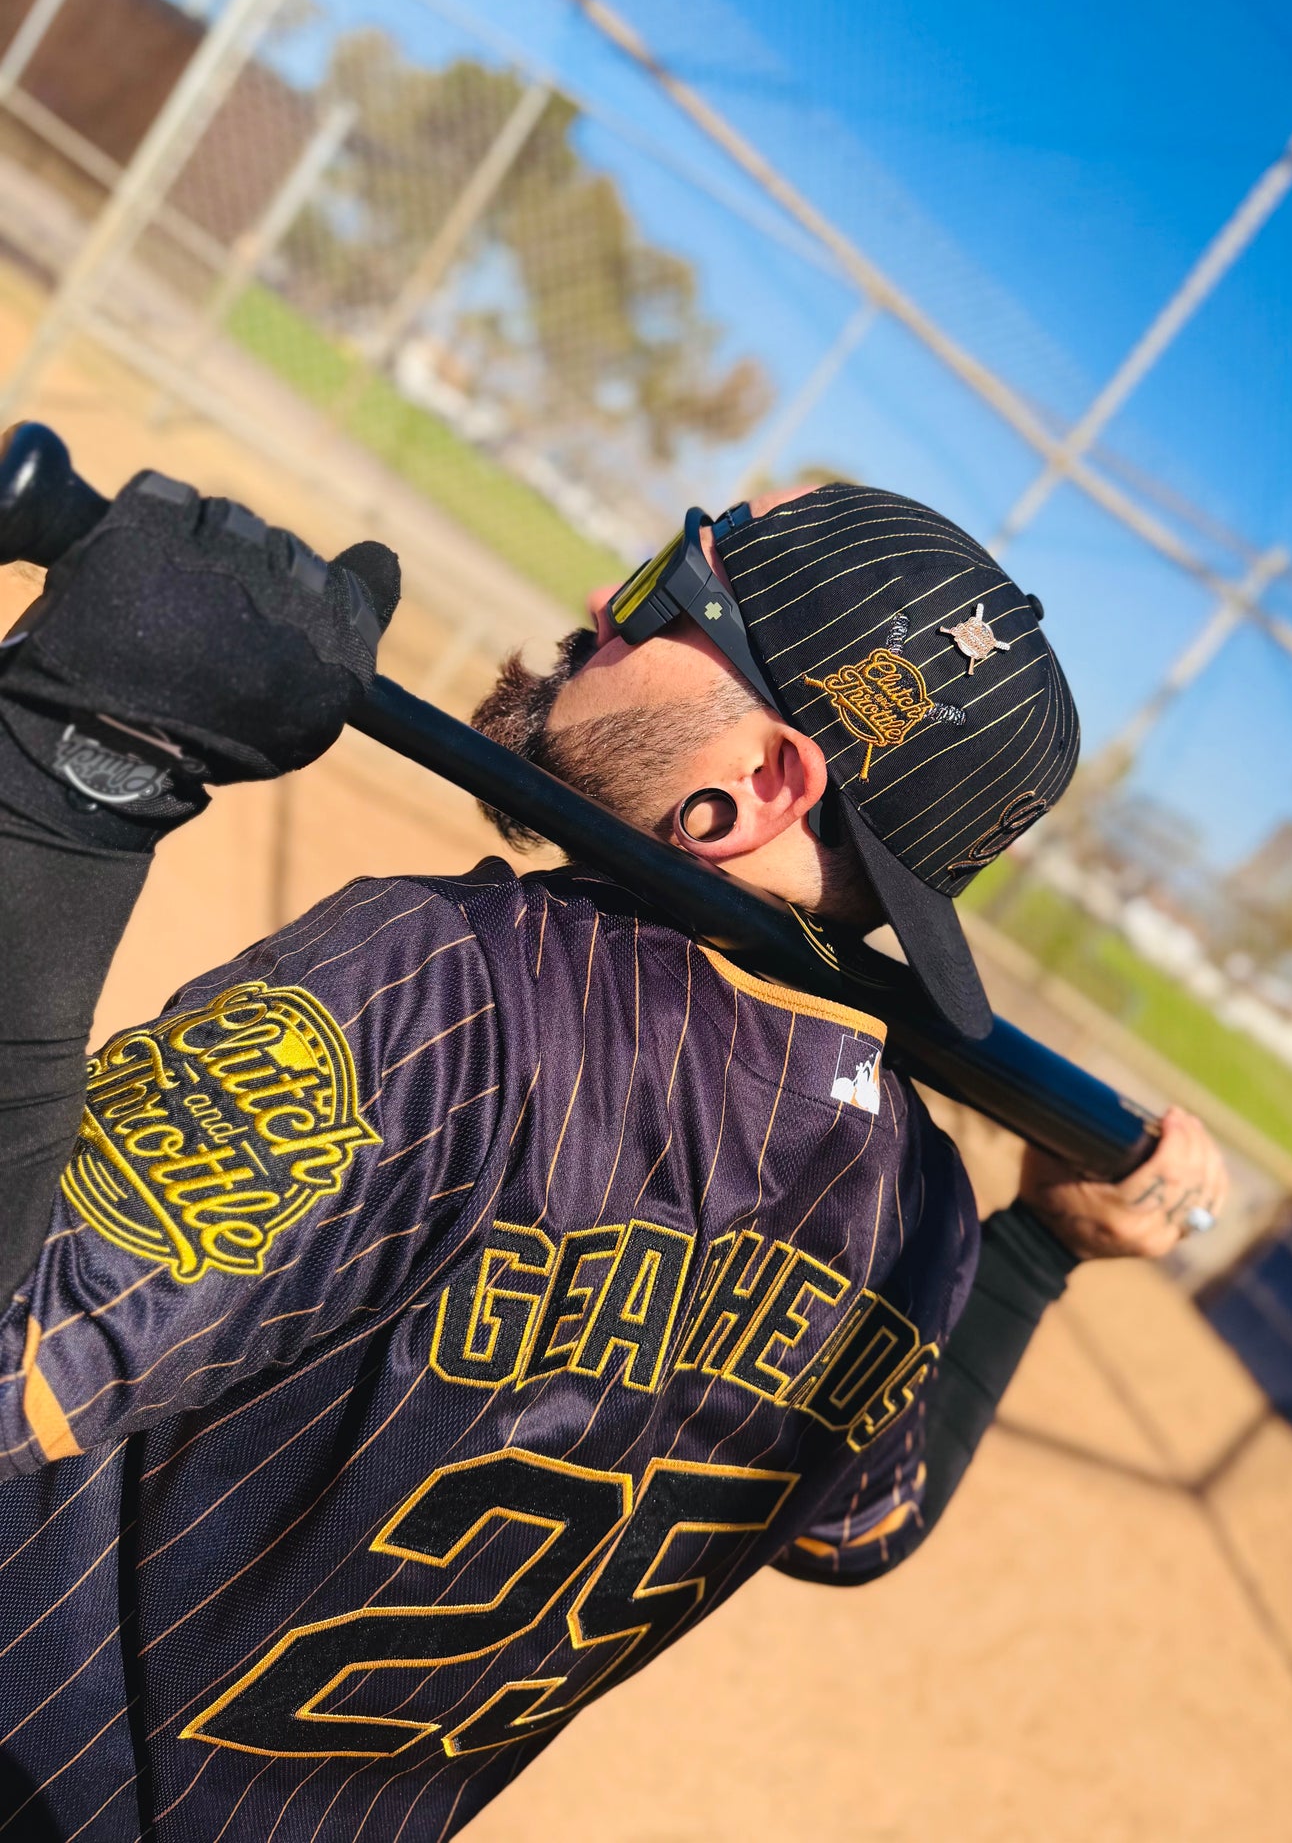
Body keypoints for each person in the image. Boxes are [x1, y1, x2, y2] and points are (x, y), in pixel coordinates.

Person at [0, 475, 1226, 1839]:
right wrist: (1038, 1247)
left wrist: (69, 784)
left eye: (656, 600)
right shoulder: (917, 1212)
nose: (597, 609)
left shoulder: (446, 991)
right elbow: (861, 1531)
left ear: (760, 783)